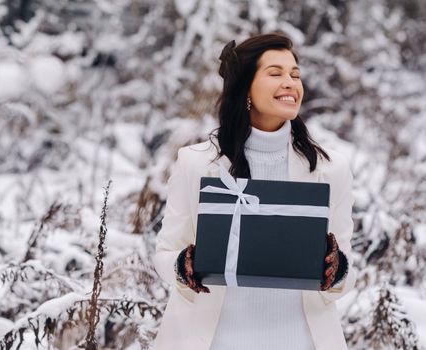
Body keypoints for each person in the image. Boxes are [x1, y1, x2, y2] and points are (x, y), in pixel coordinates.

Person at [151, 33, 356, 350]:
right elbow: (164, 255)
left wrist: (337, 268)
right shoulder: (196, 164)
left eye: (295, 74)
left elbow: (347, 271)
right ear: (245, 87)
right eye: (275, 73)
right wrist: (183, 265)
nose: (290, 82)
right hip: (213, 340)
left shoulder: (330, 170)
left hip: (300, 341)